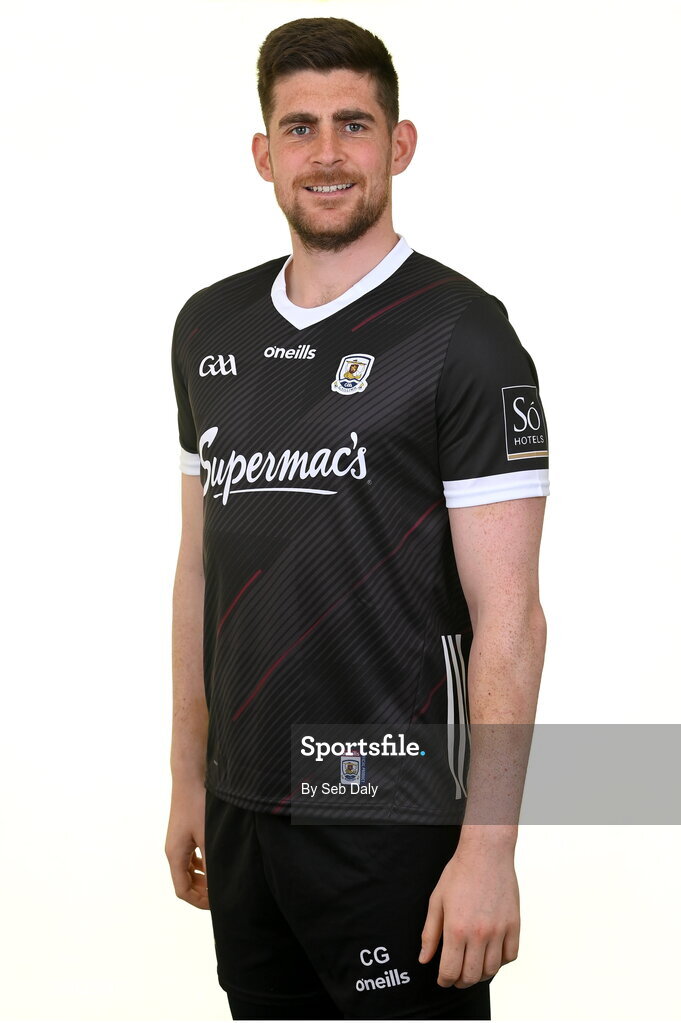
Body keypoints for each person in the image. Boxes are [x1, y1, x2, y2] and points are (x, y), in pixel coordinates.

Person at [165, 16, 549, 1021]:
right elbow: (199, 572)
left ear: (399, 143)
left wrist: (490, 849)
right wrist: (188, 778)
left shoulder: (463, 336)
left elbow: (510, 618)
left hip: (392, 807)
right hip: (245, 805)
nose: (327, 155)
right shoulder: (210, 327)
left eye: (353, 125)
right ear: (263, 153)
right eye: (299, 129)